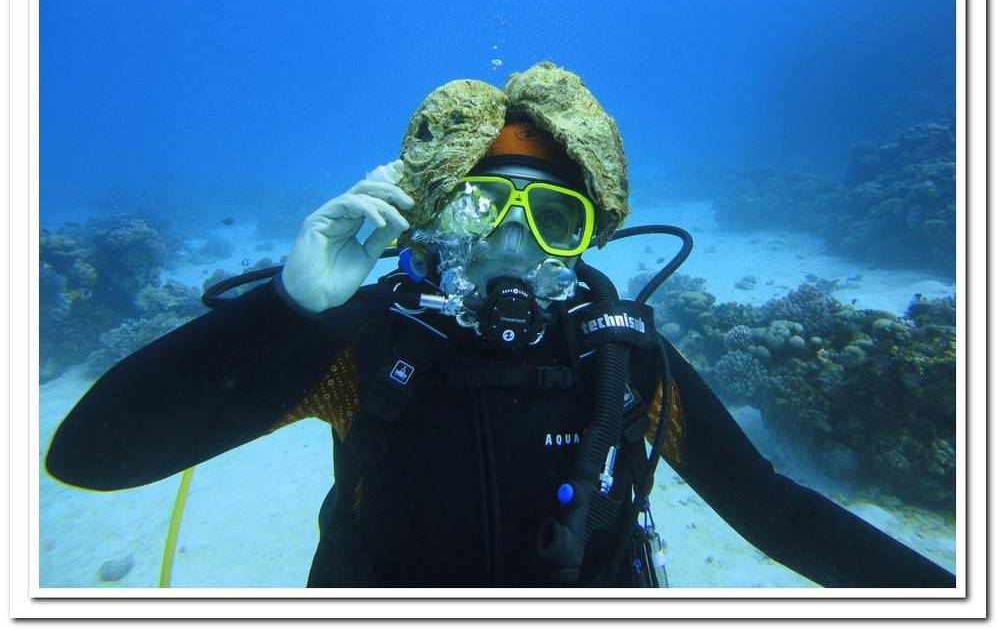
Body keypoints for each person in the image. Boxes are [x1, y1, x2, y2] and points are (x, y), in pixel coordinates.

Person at [45, 63, 955, 589]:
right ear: (430, 217)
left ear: (591, 230)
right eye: (479, 208)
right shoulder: (361, 344)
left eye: (553, 216)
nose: (512, 245)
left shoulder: (619, 358)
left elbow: (775, 511)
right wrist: (287, 309)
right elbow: (93, 458)